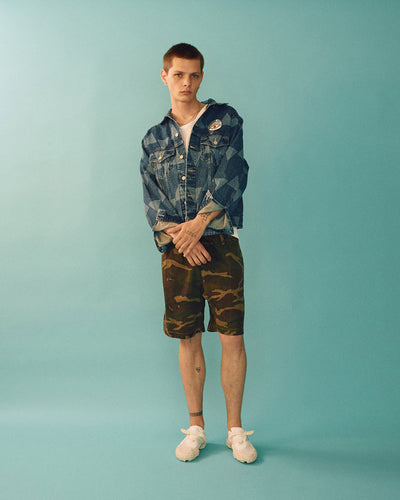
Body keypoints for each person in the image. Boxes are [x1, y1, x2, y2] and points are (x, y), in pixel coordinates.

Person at [140, 43, 257, 463]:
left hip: (220, 243)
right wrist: (183, 238)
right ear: (165, 76)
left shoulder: (226, 120)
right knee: (187, 337)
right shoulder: (153, 138)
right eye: (178, 75)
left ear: (201, 77)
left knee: (232, 337)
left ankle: (236, 431)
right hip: (177, 250)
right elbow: (152, 198)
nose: (186, 83)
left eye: (194, 75)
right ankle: (196, 429)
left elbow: (234, 174)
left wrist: (198, 225)